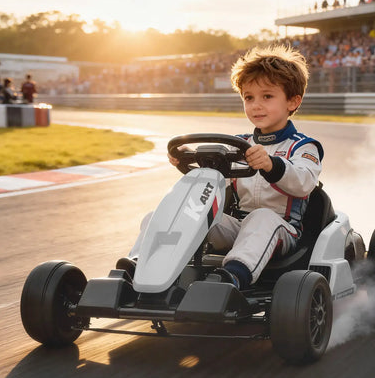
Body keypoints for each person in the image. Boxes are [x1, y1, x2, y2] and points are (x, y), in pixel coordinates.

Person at [121, 45, 322, 290]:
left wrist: (272, 165)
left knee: (261, 218)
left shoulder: (303, 147)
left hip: (284, 230)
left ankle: (231, 278)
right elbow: (215, 180)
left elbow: (303, 183)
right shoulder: (240, 144)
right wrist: (189, 161)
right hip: (237, 227)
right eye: (249, 97)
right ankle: (139, 265)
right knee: (163, 216)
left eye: (267, 96)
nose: (256, 105)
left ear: (293, 101)